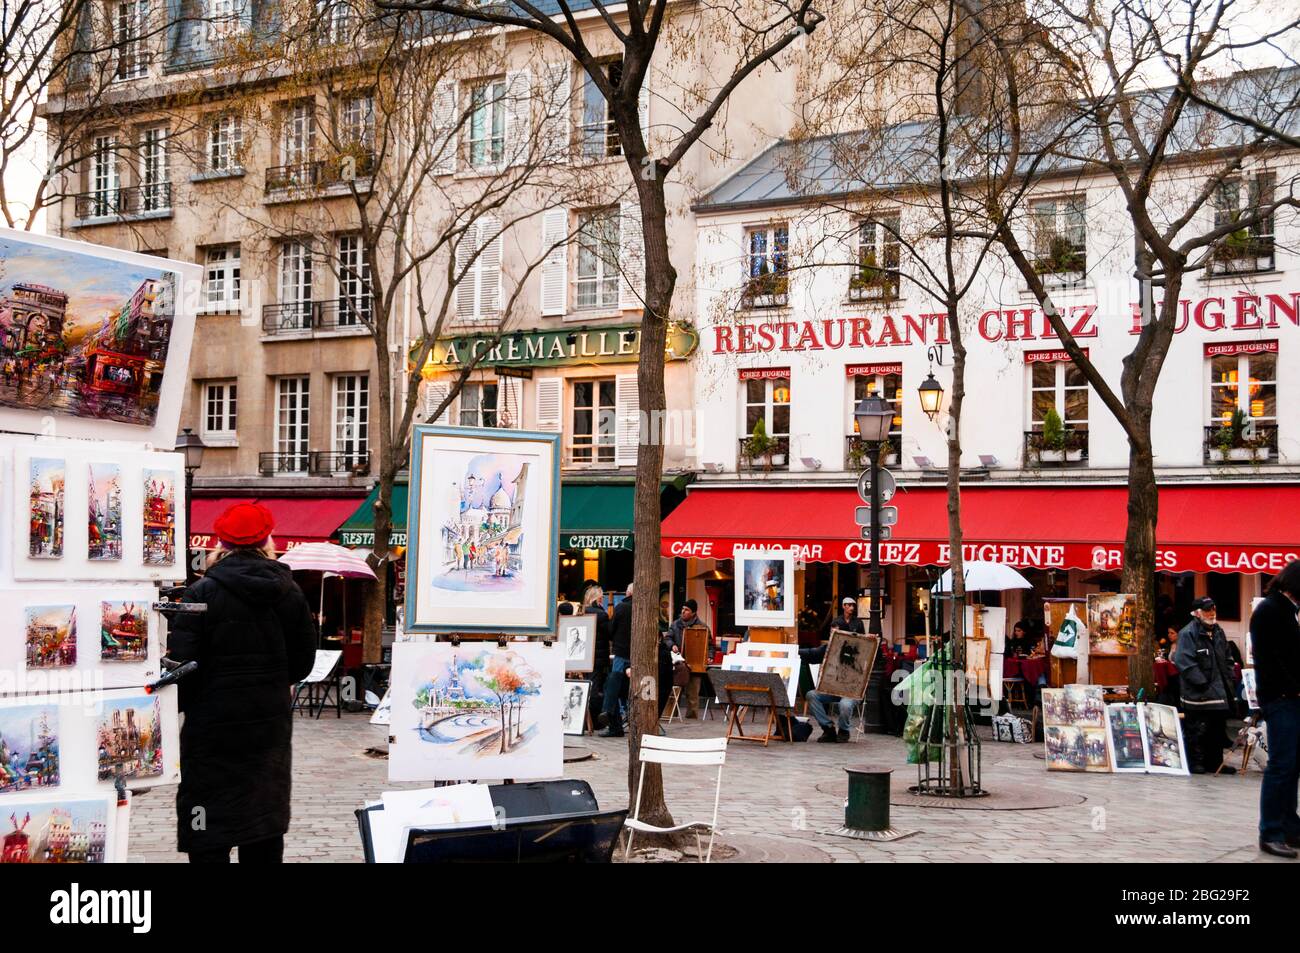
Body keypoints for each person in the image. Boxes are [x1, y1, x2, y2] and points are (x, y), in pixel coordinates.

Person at [168, 501, 317, 863]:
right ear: (268, 539)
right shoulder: (290, 592)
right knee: (262, 823)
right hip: (267, 729)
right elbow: (302, 664)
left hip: (210, 730)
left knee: (206, 827)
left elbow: (182, 669)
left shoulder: (200, 594)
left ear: (221, 542)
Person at [1251, 559, 1300, 858]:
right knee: (1281, 766)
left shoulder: (1286, 610)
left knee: (1292, 765)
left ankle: (1289, 825)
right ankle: (1270, 831)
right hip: (1282, 697)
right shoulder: (1271, 610)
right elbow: (1273, 661)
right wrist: (1292, 687)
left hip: (1290, 696)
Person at [1173, 597, 1237, 776]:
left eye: (1213, 608)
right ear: (1197, 612)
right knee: (1197, 729)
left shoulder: (1218, 631)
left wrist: (1230, 676)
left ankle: (1215, 763)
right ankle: (1196, 763)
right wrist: (1202, 683)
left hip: (1219, 691)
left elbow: (1227, 657)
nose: (1212, 612)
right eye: (1208, 609)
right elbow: (1183, 661)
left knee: (1217, 729)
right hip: (1198, 693)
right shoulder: (1188, 633)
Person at [801, 637, 854, 742]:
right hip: (832, 689)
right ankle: (828, 728)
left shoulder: (857, 648)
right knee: (812, 695)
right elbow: (812, 654)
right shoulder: (829, 647)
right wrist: (792, 649)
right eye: (832, 631)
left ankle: (844, 731)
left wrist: (874, 641)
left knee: (845, 705)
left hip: (851, 692)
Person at [600, 583, 633, 737]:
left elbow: (611, 630)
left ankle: (614, 723)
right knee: (628, 689)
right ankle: (628, 716)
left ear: (628, 593)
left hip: (621, 654)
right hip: (638, 656)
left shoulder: (621, 608)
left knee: (613, 686)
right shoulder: (645, 607)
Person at [668, 600, 707, 717]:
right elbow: (668, 638)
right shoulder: (675, 625)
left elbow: (709, 645)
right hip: (679, 663)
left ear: (693, 612)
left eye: (686, 610)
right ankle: (671, 715)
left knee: (693, 694)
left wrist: (708, 657)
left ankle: (692, 718)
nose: (683, 612)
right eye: (682, 609)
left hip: (695, 663)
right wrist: (672, 645)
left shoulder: (702, 627)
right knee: (674, 691)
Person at [583, 584, 612, 722]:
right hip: (599, 658)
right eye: (602, 597)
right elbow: (609, 633)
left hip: (583, 656)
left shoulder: (582, 613)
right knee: (597, 687)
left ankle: (586, 717)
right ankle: (595, 719)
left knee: (588, 683)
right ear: (598, 599)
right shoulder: (601, 614)